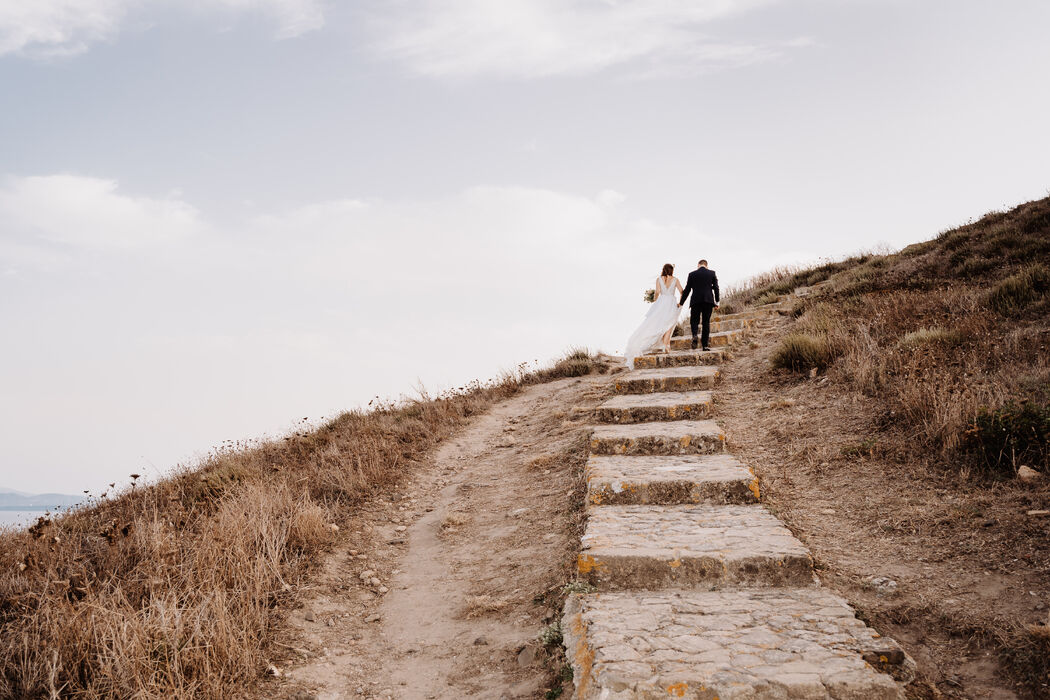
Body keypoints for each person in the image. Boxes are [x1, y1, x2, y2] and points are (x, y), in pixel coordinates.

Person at [624, 263, 684, 368]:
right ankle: (666, 346)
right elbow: (682, 291)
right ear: (671, 270)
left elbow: (658, 292)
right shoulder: (675, 280)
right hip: (671, 302)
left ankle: (665, 346)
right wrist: (680, 302)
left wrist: (656, 301)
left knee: (660, 323)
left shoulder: (659, 279)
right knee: (669, 323)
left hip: (661, 302)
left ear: (663, 270)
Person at [679, 259, 720, 351]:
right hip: (708, 301)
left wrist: (681, 303)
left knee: (694, 320)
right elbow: (716, 288)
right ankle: (705, 346)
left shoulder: (692, 274)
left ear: (698, 265)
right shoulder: (712, 273)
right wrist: (717, 302)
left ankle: (694, 335)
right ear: (706, 265)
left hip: (695, 301)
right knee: (706, 323)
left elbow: (687, 290)